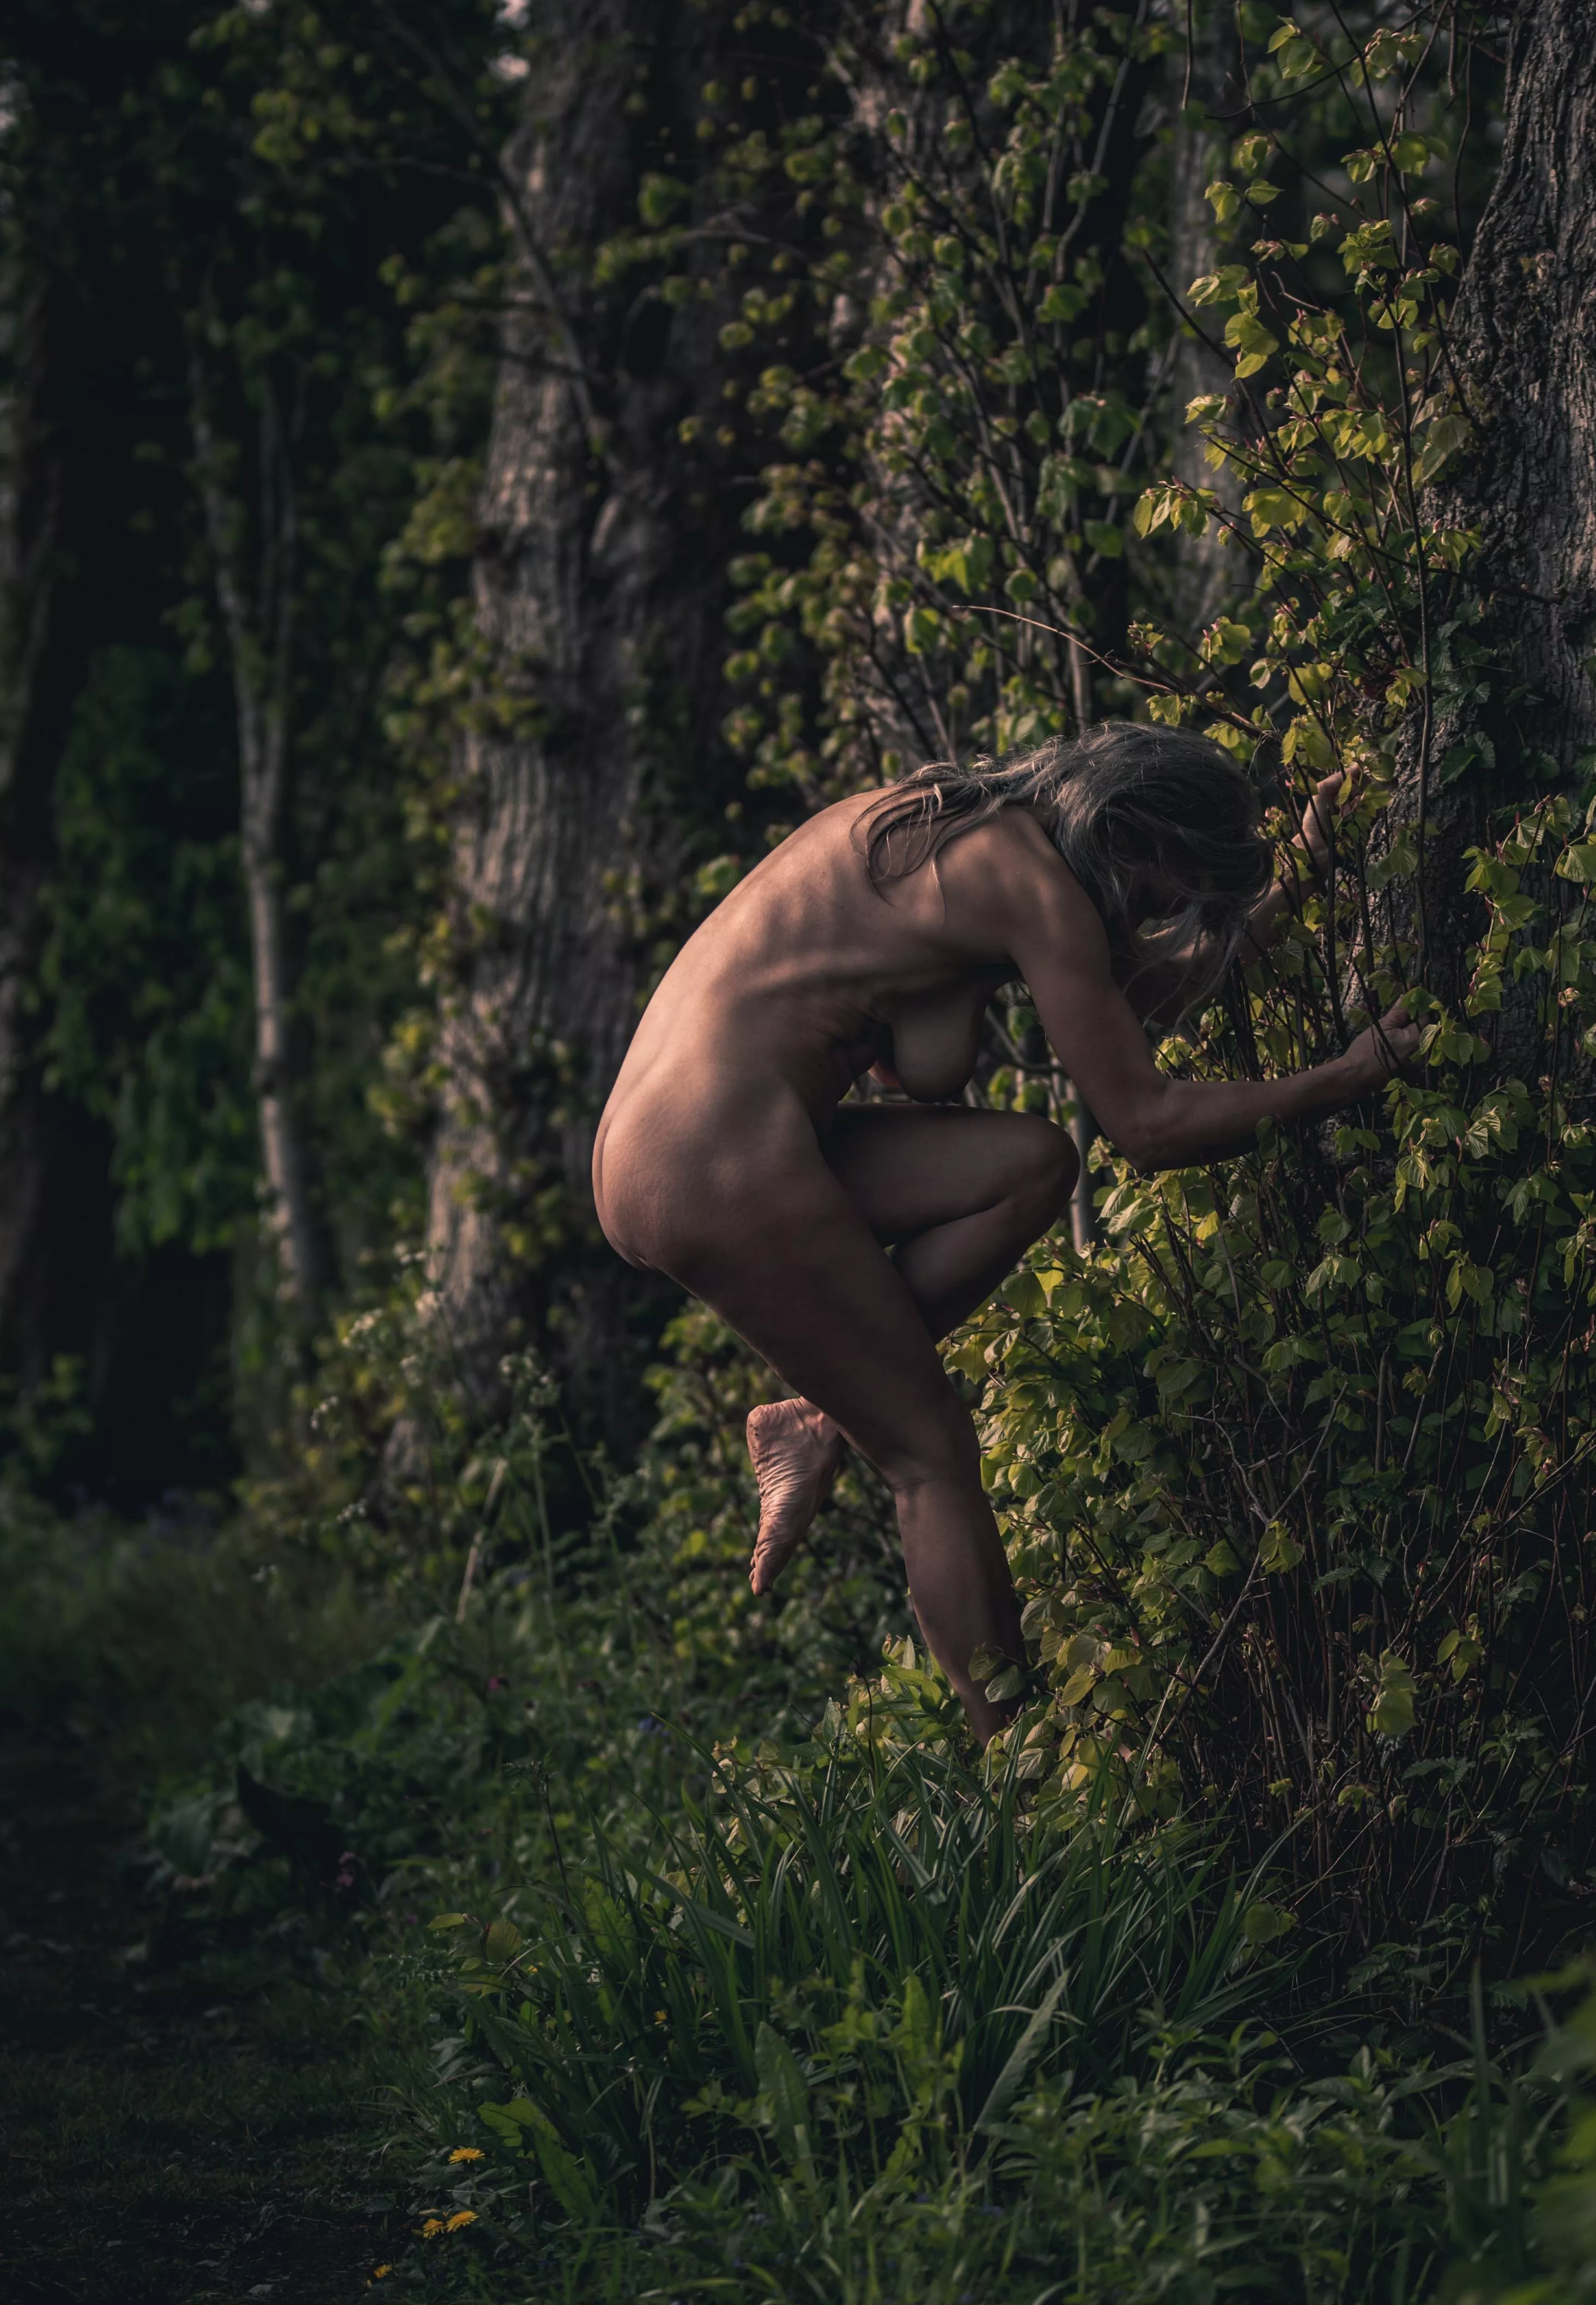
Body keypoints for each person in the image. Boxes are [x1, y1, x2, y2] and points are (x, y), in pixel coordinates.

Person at [591, 723, 1416, 1743]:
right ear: (1130, 829)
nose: (1154, 920)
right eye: (1163, 893)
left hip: (679, 1135)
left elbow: (1135, 1010)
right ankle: (1021, 1784)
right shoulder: (1026, 881)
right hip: (707, 1154)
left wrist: (1301, 878)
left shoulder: (964, 832)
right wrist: (1347, 1075)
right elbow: (1148, 1125)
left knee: (1029, 1165)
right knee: (930, 1453)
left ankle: (817, 1416)